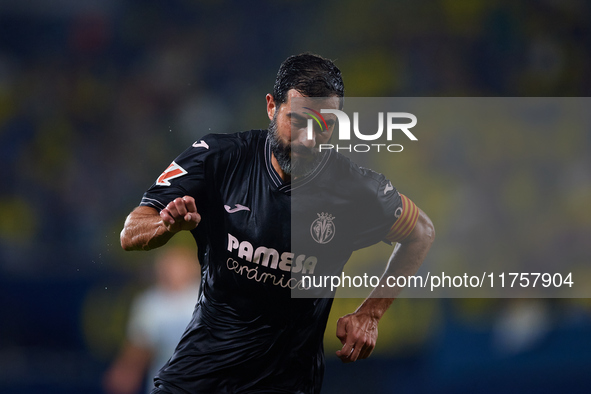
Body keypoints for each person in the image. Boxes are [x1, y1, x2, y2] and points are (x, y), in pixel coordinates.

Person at [120, 53, 435, 393]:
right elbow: (131, 231)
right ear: (272, 106)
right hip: (199, 377)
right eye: (298, 120)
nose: (309, 138)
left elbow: (421, 233)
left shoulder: (357, 191)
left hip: (286, 384)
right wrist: (165, 227)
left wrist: (371, 312)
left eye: (324, 124)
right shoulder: (219, 159)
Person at [103, 246, 201, 394]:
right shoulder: (150, 304)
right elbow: (139, 346)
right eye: (167, 265)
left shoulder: (206, 297)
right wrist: (126, 370)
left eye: (177, 264)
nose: (172, 270)